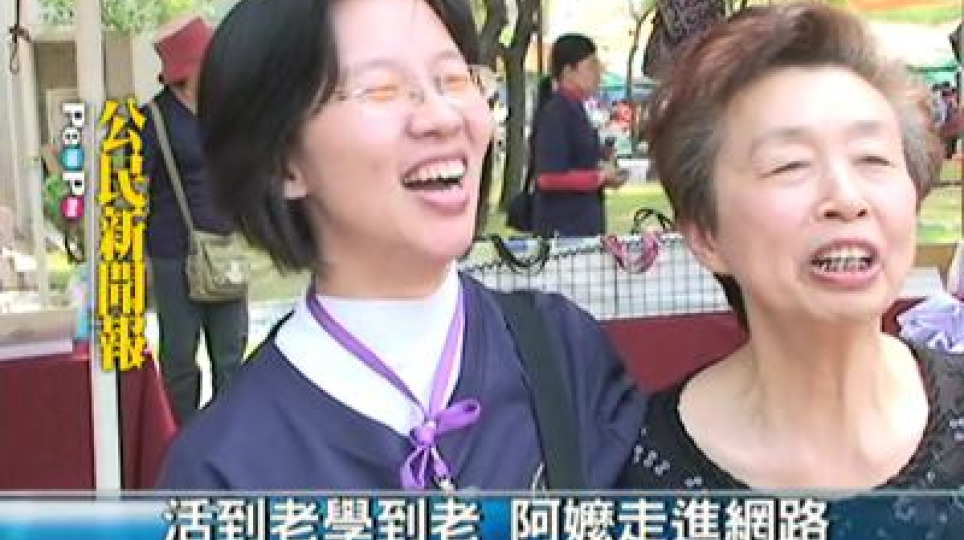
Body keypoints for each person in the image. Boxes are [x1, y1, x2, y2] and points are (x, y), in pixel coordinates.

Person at [155, 0, 645, 490]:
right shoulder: (222, 472)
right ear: (283, 163)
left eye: (454, 79)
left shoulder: (564, 354)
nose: (442, 117)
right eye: (381, 90)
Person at [619, 2, 964, 490]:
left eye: (872, 158)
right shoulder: (631, 475)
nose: (846, 199)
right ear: (705, 234)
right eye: (789, 165)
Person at [142, 15, 248, 426]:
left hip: (224, 252)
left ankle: (229, 441)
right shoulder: (151, 120)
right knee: (180, 362)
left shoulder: (224, 114)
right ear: (189, 68)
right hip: (173, 257)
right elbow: (134, 194)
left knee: (231, 356)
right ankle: (183, 443)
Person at [530, 34, 628, 238]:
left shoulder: (576, 109)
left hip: (584, 224)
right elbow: (548, 177)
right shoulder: (557, 111)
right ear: (568, 72)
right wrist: (599, 177)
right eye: (591, 66)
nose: (598, 74)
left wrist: (603, 158)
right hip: (563, 229)